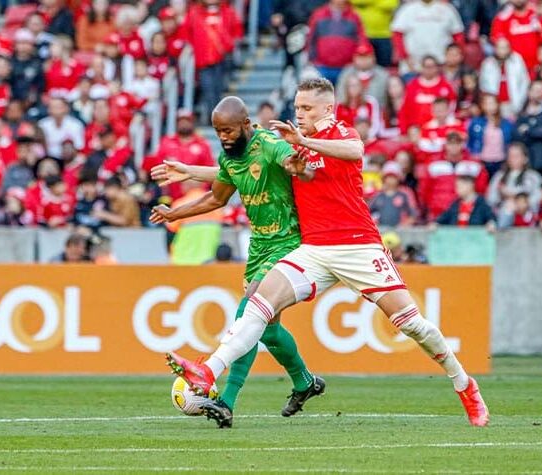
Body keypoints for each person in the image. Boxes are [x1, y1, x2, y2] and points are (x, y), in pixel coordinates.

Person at [164, 78, 489, 427]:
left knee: (413, 326)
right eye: (297, 107)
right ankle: (208, 371)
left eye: (306, 108)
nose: (299, 114)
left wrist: (304, 142)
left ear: (327, 108)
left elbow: (356, 152)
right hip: (314, 249)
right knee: (259, 304)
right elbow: (248, 172)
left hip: (358, 246)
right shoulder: (292, 146)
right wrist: (194, 172)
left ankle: (463, 383)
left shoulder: (340, 134)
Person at [150, 96, 323, 428]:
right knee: (268, 332)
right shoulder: (230, 158)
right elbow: (216, 197)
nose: (223, 137)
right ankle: (305, 383)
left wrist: (302, 167)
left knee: (249, 311)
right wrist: (175, 213)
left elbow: (297, 164)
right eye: (217, 132)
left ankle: (226, 401)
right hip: (260, 246)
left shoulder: (269, 145)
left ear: (246, 124)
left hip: (289, 240)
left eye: (228, 130)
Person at [390, 0, 465, 74]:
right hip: (413, 63)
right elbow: (397, 35)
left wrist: (452, 57)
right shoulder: (407, 9)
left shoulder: (447, 9)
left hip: (441, 63)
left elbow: (458, 34)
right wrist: (405, 57)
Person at [307, 0, 369, 84]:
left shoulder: (354, 17)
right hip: (322, 66)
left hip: (346, 67)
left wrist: (358, 59)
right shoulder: (318, 14)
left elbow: (361, 40)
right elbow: (311, 38)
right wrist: (312, 59)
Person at [398, 56, 457, 133]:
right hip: (416, 132)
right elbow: (404, 110)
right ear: (422, 68)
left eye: (432, 66)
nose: (429, 70)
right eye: (426, 67)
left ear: (437, 68)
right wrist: (404, 131)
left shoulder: (446, 86)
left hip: (439, 131)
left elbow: (452, 109)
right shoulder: (412, 86)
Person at [491, 0, 542, 71]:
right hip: (513, 69)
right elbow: (498, 42)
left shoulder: (538, 14)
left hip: (539, 68)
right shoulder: (502, 18)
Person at [479, 38, 530, 120]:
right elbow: (483, 86)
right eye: (500, 48)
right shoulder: (488, 63)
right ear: (495, 49)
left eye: (505, 47)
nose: (502, 51)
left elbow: (524, 83)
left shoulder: (517, 60)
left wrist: (520, 103)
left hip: (514, 103)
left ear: (509, 48)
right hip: (494, 106)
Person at [513, 81, 542, 175]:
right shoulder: (522, 114)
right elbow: (516, 134)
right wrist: (534, 130)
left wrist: (527, 130)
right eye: (536, 90)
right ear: (529, 92)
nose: (538, 93)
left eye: (541, 91)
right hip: (525, 161)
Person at [486, 142, 542, 213]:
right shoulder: (499, 176)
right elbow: (490, 199)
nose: (512, 159)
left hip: (527, 214)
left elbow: (538, 197)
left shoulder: (533, 176)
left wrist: (518, 201)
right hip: (502, 212)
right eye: (510, 156)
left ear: (525, 158)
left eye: (516, 156)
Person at [468, 94, 515, 177]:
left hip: (501, 161)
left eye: (493, 103)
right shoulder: (476, 122)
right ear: (482, 106)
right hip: (482, 161)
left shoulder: (506, 123)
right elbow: (471, 141)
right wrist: (474, 156)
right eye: (487, 103)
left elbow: (511, 141)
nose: (490, 107)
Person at [335, 43, 389, 108]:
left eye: (366, 56)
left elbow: (387, 101)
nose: (363, 60)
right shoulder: (346, 73)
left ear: (373, 58)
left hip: (377, 113)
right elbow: (340, 96)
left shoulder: (383, 75)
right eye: (360, 57)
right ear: (354, 58)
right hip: (350, 112)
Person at [369, 161, 417, 226]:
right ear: (384, 178)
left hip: (401, 231)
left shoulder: (406, 193)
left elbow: (413, 213)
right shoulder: (378, 195)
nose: (390, 179)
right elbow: (368, 213)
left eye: (393, 177)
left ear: (399, 178)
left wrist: (405, 224)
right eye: (388, 176)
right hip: (381, 231)